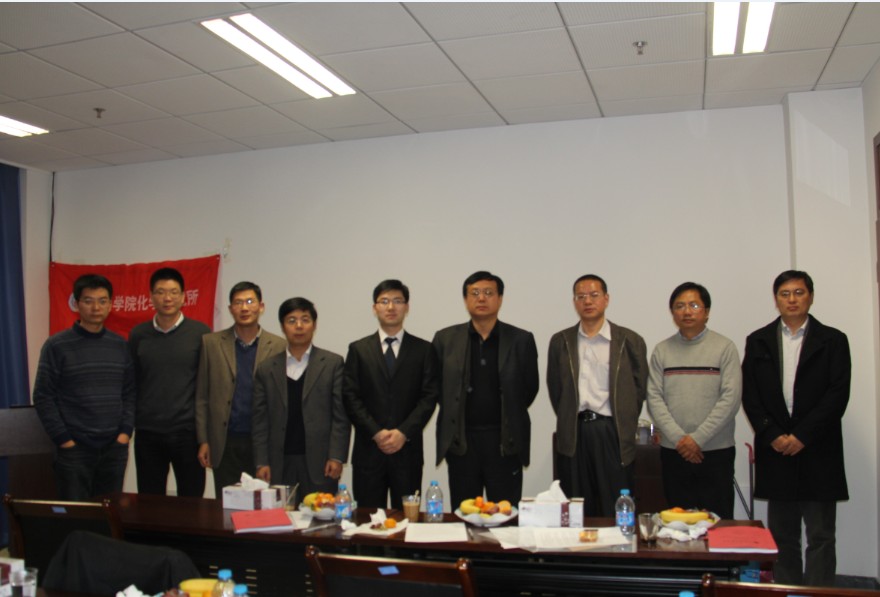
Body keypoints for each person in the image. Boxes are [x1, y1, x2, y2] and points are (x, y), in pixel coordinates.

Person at [742, 270, 850, 586]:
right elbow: (751, 395)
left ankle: (818, 592)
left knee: (821, 536)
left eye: (799, 293)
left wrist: (803, 435)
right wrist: (772, 434)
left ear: (810, 297)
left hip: (818, 448)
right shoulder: (758, 340)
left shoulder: (833, 340)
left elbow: (837, 394)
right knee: (782, 535)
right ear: (776, 299)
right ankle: (787, 590)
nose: (792, 299)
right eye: (785, 293)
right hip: (776, 450)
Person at [433, 271, 539, 506]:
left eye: (489, 293)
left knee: (506, 513)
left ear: (500, 299)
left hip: (505, 442)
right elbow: (437, 388)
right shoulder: (445, 339)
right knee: (465, 512)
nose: (481, 298)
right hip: (462, 443)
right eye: (475, 293)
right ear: (465, 299)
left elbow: (530, 388)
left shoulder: (521, 340)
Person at [547, 274, 648, 516]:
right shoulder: (561, 341)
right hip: (575, 432)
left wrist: (623, 421)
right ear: (574, 301)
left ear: (606, 299)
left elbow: (639, 389)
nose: (587, 301)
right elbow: (556, 388)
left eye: (594, 295)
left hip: (612, 432)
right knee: (577, 506)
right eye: (581, 296)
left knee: (615, 503)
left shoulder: (629, 341)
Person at [33, 273, 135, 500]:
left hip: (113, 449)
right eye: (88, 301)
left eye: (102, 301)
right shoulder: (56, 345)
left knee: (110, 513)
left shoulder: (120, 345)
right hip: (74, 450)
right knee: (76, 514)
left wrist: (125, 433)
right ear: (77, 304)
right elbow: (43, 396)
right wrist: (64, 439)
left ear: (110, 305)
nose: (96, 307)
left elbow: (129, 393)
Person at [646, 282, 741, 519]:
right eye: (680, 306)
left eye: (694, 305)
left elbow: (730, 399)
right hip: (674, 451)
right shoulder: (662, 350)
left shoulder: (724, 348)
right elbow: (654, 398)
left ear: (706, 311)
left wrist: (697, 439)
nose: (687, 311)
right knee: (678, 522)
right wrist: (681, 440)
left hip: (716, 451)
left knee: (717, 522)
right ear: (672, 313)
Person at [343, 280, 439, 508]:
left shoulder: (424, 350)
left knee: (408, 520)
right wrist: (375, 433)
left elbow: (429, 397)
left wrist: (403, 432)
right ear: (374, 308)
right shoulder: (358, 349)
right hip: (368, 451)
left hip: (407, 452)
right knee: (367, 521)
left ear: (407, 307)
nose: (391, 307)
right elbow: (350, 396)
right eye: (384, 301)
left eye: (397, 301)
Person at [195, 282, 285, 498]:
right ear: (230, 309)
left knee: (264, 504)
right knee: (227, 504)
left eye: (250, 301)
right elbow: (202, 396)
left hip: (263, 442)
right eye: (238, 303)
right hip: (225, 441)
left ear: (261, 306)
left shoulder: (279, 345)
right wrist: (204, 440)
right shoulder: (211, 343)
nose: (244, 308)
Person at [252, 298, 351, 495]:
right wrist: (261, 461)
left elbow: (341, 416)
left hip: (321, 462)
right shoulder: (266, 368)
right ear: (283, 326)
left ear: (314, 325)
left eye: (305, 319)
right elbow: (259, 420)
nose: (299, 326)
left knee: (322, 513)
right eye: (292, 320)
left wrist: (336, 457)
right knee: (282, 514)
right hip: (278, 462)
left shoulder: (332, 363)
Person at [129, 268, 210, 496]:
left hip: (187, 433)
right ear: (151, 297)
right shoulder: (138, 334)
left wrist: (205, 437)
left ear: (183, 297)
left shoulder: (201, 333)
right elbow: (133, 381)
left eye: (174, 292)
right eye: (161, 292)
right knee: (150, 500)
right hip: (148, 433)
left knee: (191, 501)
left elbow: (207, 386)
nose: (167, 298)